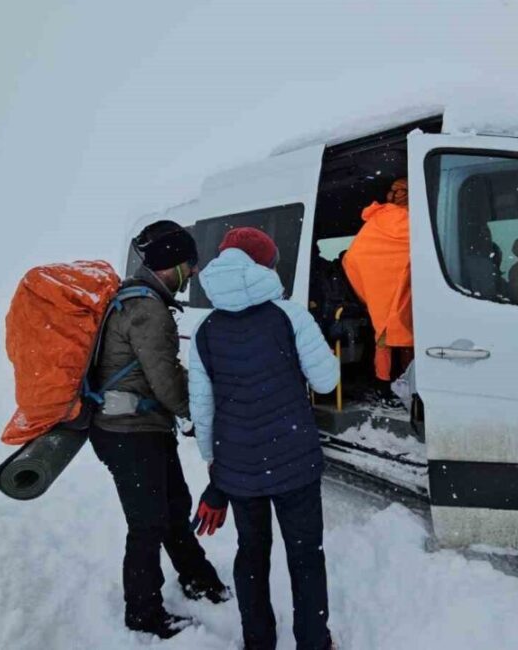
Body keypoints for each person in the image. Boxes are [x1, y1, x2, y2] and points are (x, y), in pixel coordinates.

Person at [188, 227, 340, 650]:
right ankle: (313, 641)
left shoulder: (205, 330)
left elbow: (203, 410)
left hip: (238, 470)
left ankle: (258, 642)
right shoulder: (289, 315)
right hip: (295, 460)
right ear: (264, 265)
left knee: (251, 553)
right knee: (305, 555)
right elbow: (327, 382)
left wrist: (214, 466)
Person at [89, 220, 228, 638]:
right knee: (148, 520)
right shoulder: (148, 310)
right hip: (129, 432)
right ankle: (143, 612)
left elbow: (159, 375)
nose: (195, 271)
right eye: (190, 263)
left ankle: (198, 577)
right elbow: (165, 381)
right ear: (172, 264)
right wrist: (199, 413)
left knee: (171, 506)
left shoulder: (139, 300)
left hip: (141, 428)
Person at [342, 178, 414, 384]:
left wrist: (368, 286)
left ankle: (388, 383)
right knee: (405, 335)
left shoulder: (379, 219)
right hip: (402, 288)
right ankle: (399, 382)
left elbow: (353, 257)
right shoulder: (413, 218)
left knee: (386, 338)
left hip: (380, 292)